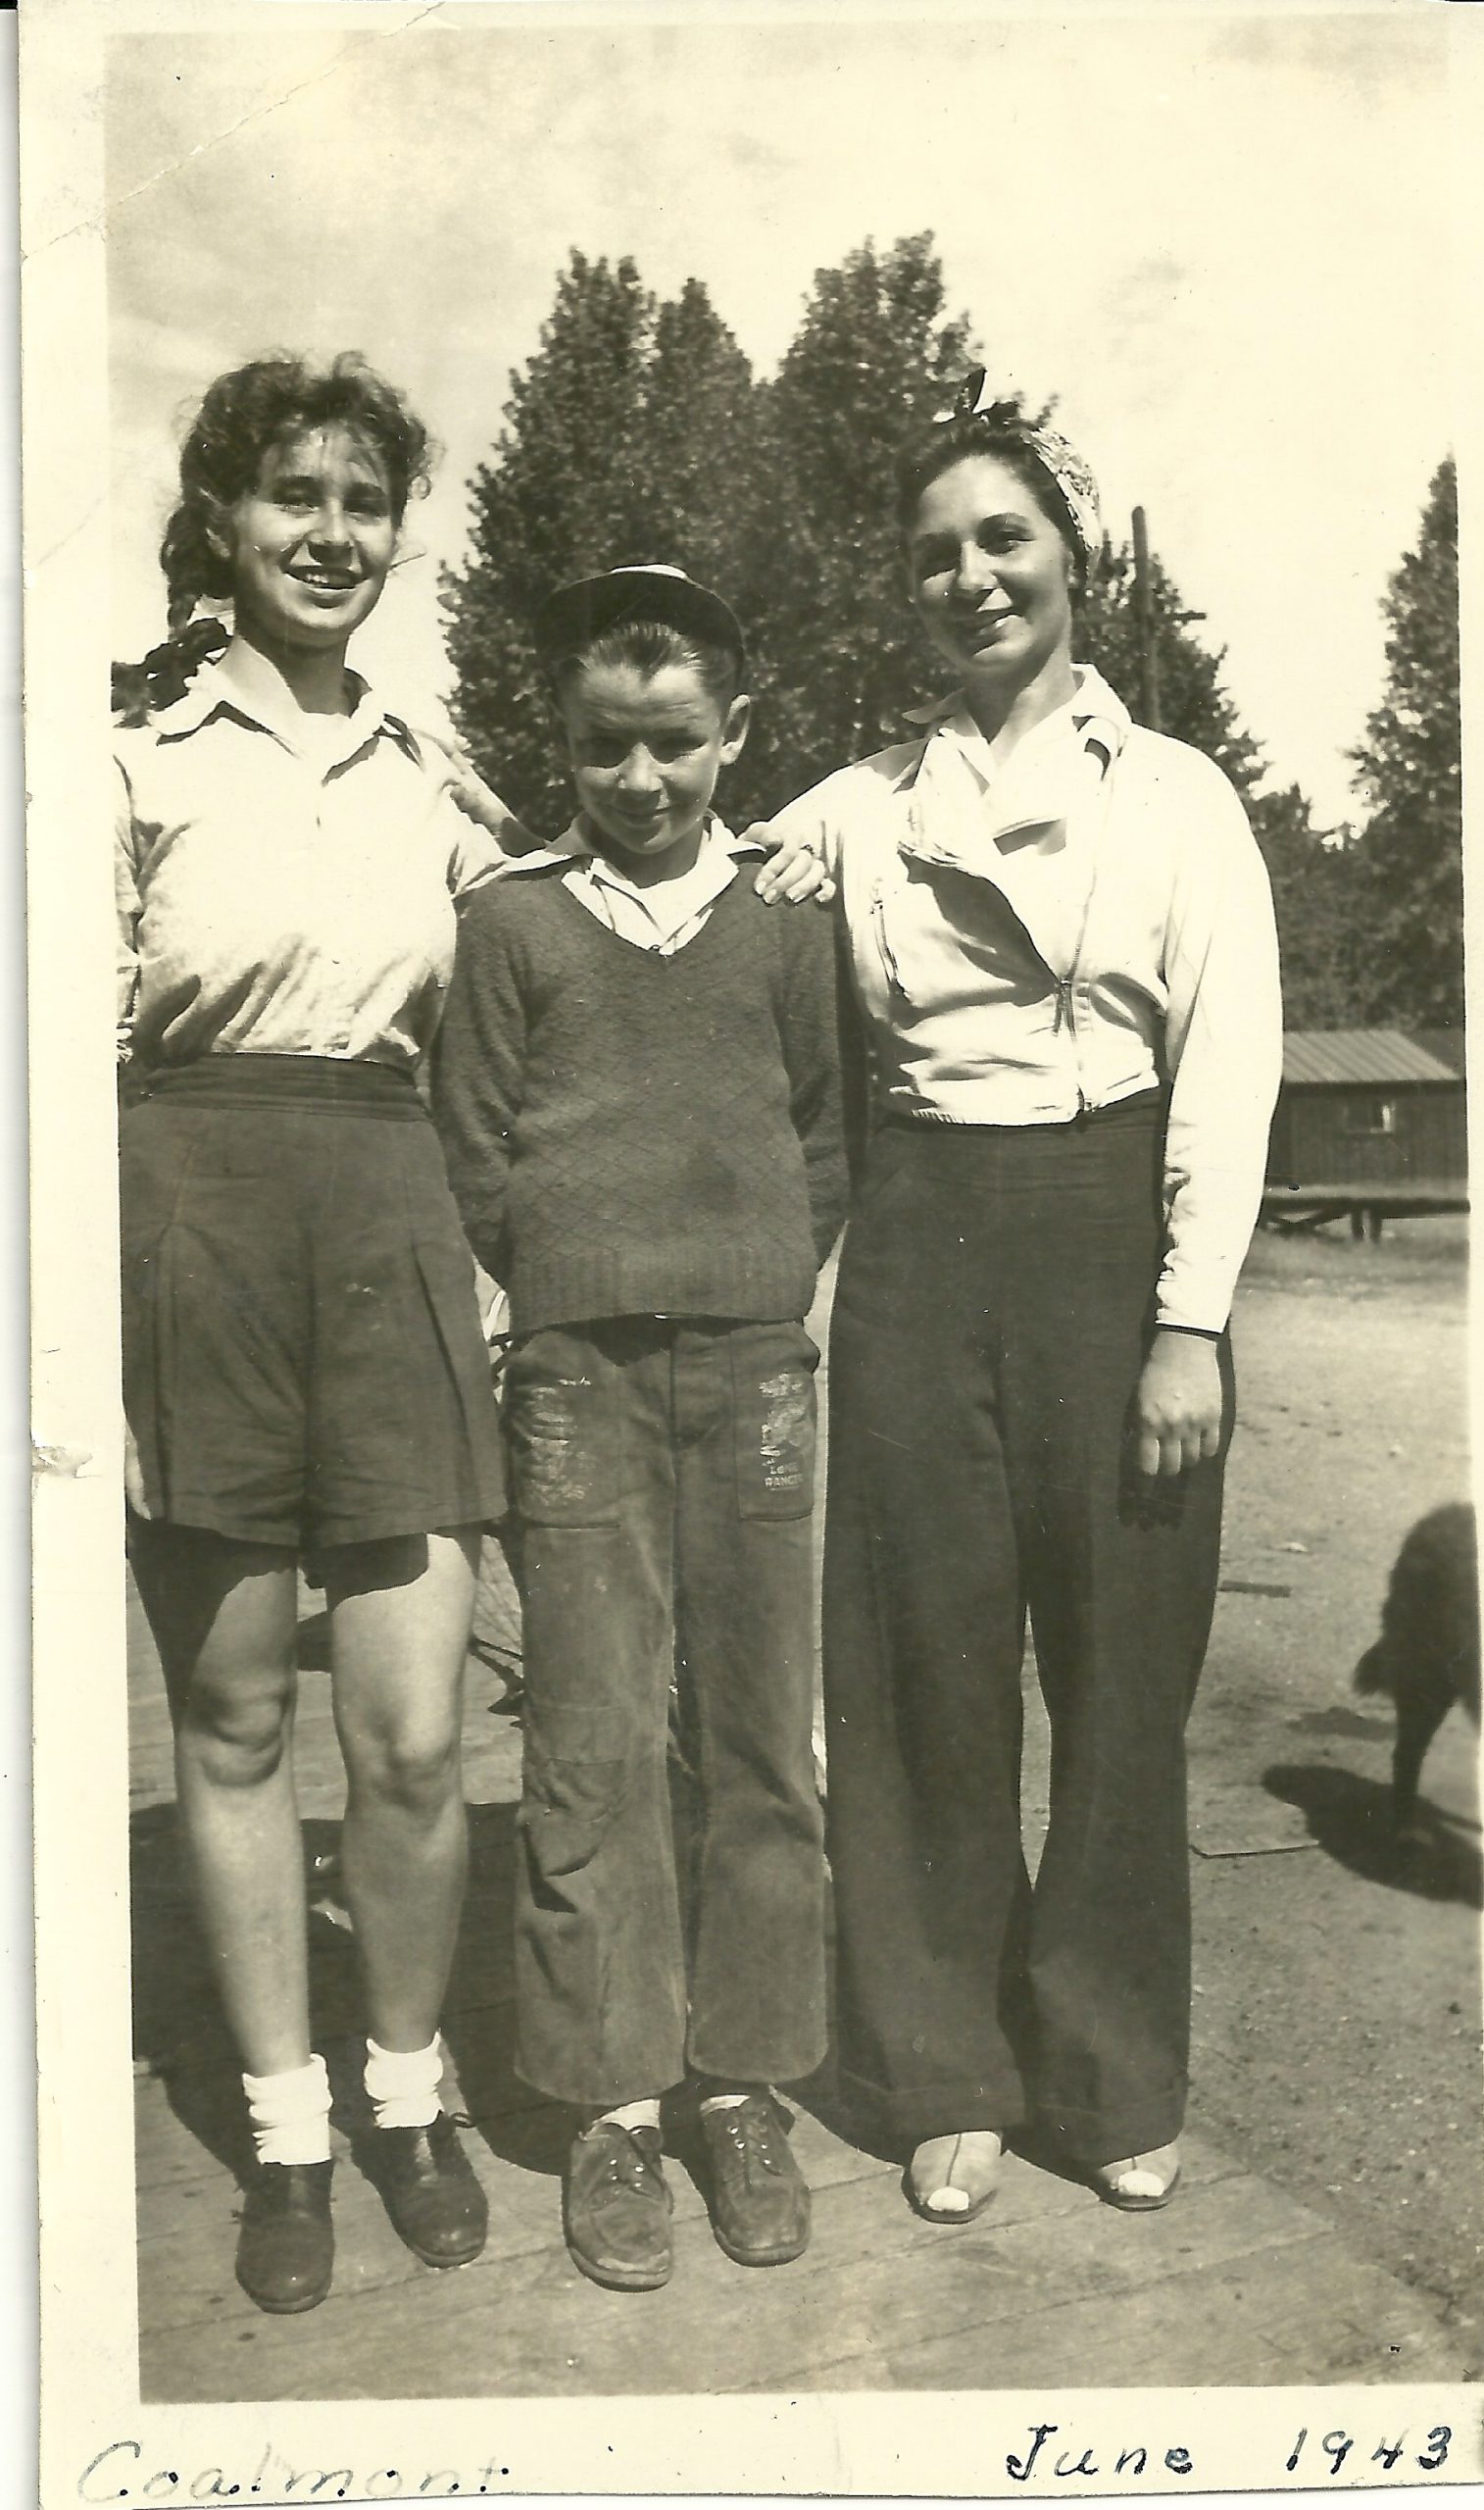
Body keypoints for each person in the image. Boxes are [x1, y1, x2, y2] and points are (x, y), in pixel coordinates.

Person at [760, 370, 1282, 2223]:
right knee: (925, 1675)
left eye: (1005, 539)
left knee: (1123, 1681)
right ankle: (938, 2069)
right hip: (918, 1243)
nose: (971, 578)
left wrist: (1188, 1318)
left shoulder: (1175, 798)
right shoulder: (853, 809)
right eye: (934, 555)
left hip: (1109, 1232)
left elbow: (1229, 1059)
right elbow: (690, 918)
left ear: (1073, 563)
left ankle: (1109, 2069)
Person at [117, 353, 517, 2313]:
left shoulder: (434, 767)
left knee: (420, 1733)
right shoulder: (128, 752)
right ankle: (285, 2130)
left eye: (364, 499)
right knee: (236, 1713)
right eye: (294, 494)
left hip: (390, 1221)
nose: (331, 532)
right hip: (183, 1218)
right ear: (220, 515)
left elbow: (525, 994)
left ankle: (408, 2086)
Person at [432, 566, 849, 2290]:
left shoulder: (790, 918)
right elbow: (472, 1153)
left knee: (759, 1735)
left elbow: (826, 1138)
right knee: (589, 1741)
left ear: (733, 736)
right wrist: (560, 1300)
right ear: (566, 745)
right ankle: (612, 2112)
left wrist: (759, 1285)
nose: (642, 780)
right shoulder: (513, 923)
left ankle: (738, 2081)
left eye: (675, 744)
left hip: (750, 1366)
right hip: (578, 1379)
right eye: (607, 747)